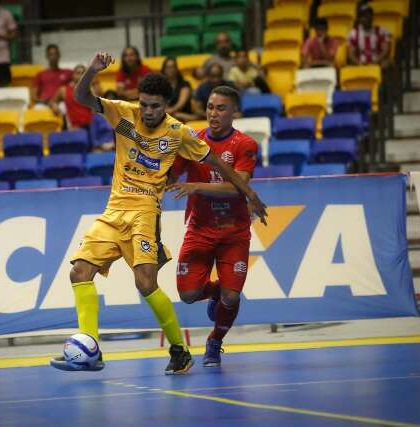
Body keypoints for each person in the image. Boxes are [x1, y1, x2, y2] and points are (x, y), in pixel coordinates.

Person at [49, 51, 267, 375]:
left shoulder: (178, 132)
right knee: (78, 272)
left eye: (156, 106)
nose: (149, 111)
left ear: (166, 105)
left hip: (145, 213)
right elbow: (81, 97)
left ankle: (179, 351)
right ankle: (90, 348)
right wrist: (92, 70)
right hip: (114, 211)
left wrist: (249, 193)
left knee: (145, 282)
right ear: (139, 100)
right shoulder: (122, 113)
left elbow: (216, 162)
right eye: (145, 103)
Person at [168, 86, 258, 367]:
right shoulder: (193, 142)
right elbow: (171, 173)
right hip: (200, 229)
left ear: (234, 112)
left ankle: (215, 341)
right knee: (188, 294)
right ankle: (217, 290)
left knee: (231, 297)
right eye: (209, 107)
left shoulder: (245, 145)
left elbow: (237, 188)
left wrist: (197, 186)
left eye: (220, 108)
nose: (213, 113)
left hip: (234, 232)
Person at [56, 65, 101, 130]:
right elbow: (52, 102)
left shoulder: (91, 89)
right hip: (74, 127)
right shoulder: (64, 90)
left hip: (90, 126)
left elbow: (97, 107)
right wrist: (57, 108)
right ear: (73, 75)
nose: (81, 76)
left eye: (83, 73)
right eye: (78, 73)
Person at [31, 44, 73, 116]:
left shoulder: (67, 73)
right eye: (51, 54)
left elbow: (79, 81)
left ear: (59, 55)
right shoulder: (40, 75)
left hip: (60, 103)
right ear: (47, 56)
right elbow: (34, 96)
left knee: (66, 107)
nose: (53, 57)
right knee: (36, 109)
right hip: (43, 104)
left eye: (55, 54)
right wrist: (41, 101)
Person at [347, 4, 391, 68]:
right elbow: (351, 54)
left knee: (387, 64)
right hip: (360, 63)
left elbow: (386, 50)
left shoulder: (381, 31)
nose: (366, 18)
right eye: (363, 15)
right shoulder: (353, 33)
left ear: (372, 16)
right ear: (359, 18)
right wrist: (359, 63)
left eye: (368, 15)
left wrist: (375, 62)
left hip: (378, 62)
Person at [161, 57, 196, 122]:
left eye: (172, 67)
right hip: (168, 115)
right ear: (164, 69)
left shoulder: (184, 84)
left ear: (176, 68)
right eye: (168, 67)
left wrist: (169, 111)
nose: (170, 70)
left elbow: (180, 104)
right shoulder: (160, 85)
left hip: (183, 114)